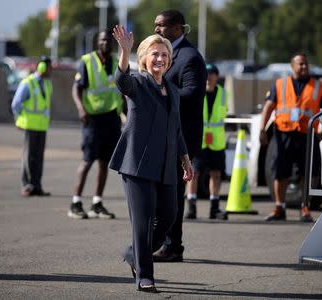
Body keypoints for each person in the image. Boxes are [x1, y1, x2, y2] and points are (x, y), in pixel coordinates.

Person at [110, 25, 193, 293]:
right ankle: (145, 276)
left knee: (169, 216)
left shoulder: (172, 89)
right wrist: (125, 52)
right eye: (155, 54)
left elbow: (176, 128)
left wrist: (186, 160)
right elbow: (121, 81)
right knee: (143, 222)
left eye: (165, 55)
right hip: (137, 164)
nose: (160, 59)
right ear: (145, 57)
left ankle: (134, 252)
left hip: (166, 165)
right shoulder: (139, 83)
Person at [152, 9, 207, 262]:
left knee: (172, 193)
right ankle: (164, 241)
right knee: (160, 191)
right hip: (160, 137)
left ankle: (173, 246)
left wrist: (159, 95)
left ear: (177, 28)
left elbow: (192, 94)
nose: (156, 30)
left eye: (161, 26)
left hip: (180, 138)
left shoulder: (190, 57)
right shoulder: (163, 54)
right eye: (156, 25)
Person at [259, 53, 322, 222]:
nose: (304, 67)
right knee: (280, 171)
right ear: (292, 66)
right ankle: (279, 207)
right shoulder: (280, 84)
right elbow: (269, 107)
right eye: (300, 64)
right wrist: (262, 129)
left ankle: (305, 207)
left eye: (306, 64)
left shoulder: (318, 86)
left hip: (307, 135)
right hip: (283, 134)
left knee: (308, 173)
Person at [68, 29, 123, 219]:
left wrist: (127, 115)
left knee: (104, 162)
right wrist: (81, 109)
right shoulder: (87, 61)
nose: (105, 42)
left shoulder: (117, 62)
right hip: (93, 119)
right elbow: (76, 89)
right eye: (102, 40)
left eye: (108, 40)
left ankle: (96, 203)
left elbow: (121, 92)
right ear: (97, 43)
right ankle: (75, 203)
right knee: (87, 160)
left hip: (111, 119)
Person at [185, 63, 228, 220]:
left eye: (212, 74)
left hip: (216, 141)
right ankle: (191, 208)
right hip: (199, 140)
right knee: (194, 174)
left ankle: (214, 208)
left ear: (217, 76)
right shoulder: (197, 92)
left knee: (216, 174)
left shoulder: (223, 94)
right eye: (207, 73)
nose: (209, 77)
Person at [11, 57, 53, 197]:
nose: (51, 70)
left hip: (41, 126)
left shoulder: (47, 84)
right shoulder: (28, 83)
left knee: (39, 157)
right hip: (29, 125)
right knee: (28, 156)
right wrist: (19, 120)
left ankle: (37, 185)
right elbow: (16, 104)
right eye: (49, 67)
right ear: (41, 67)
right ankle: (27, 185)